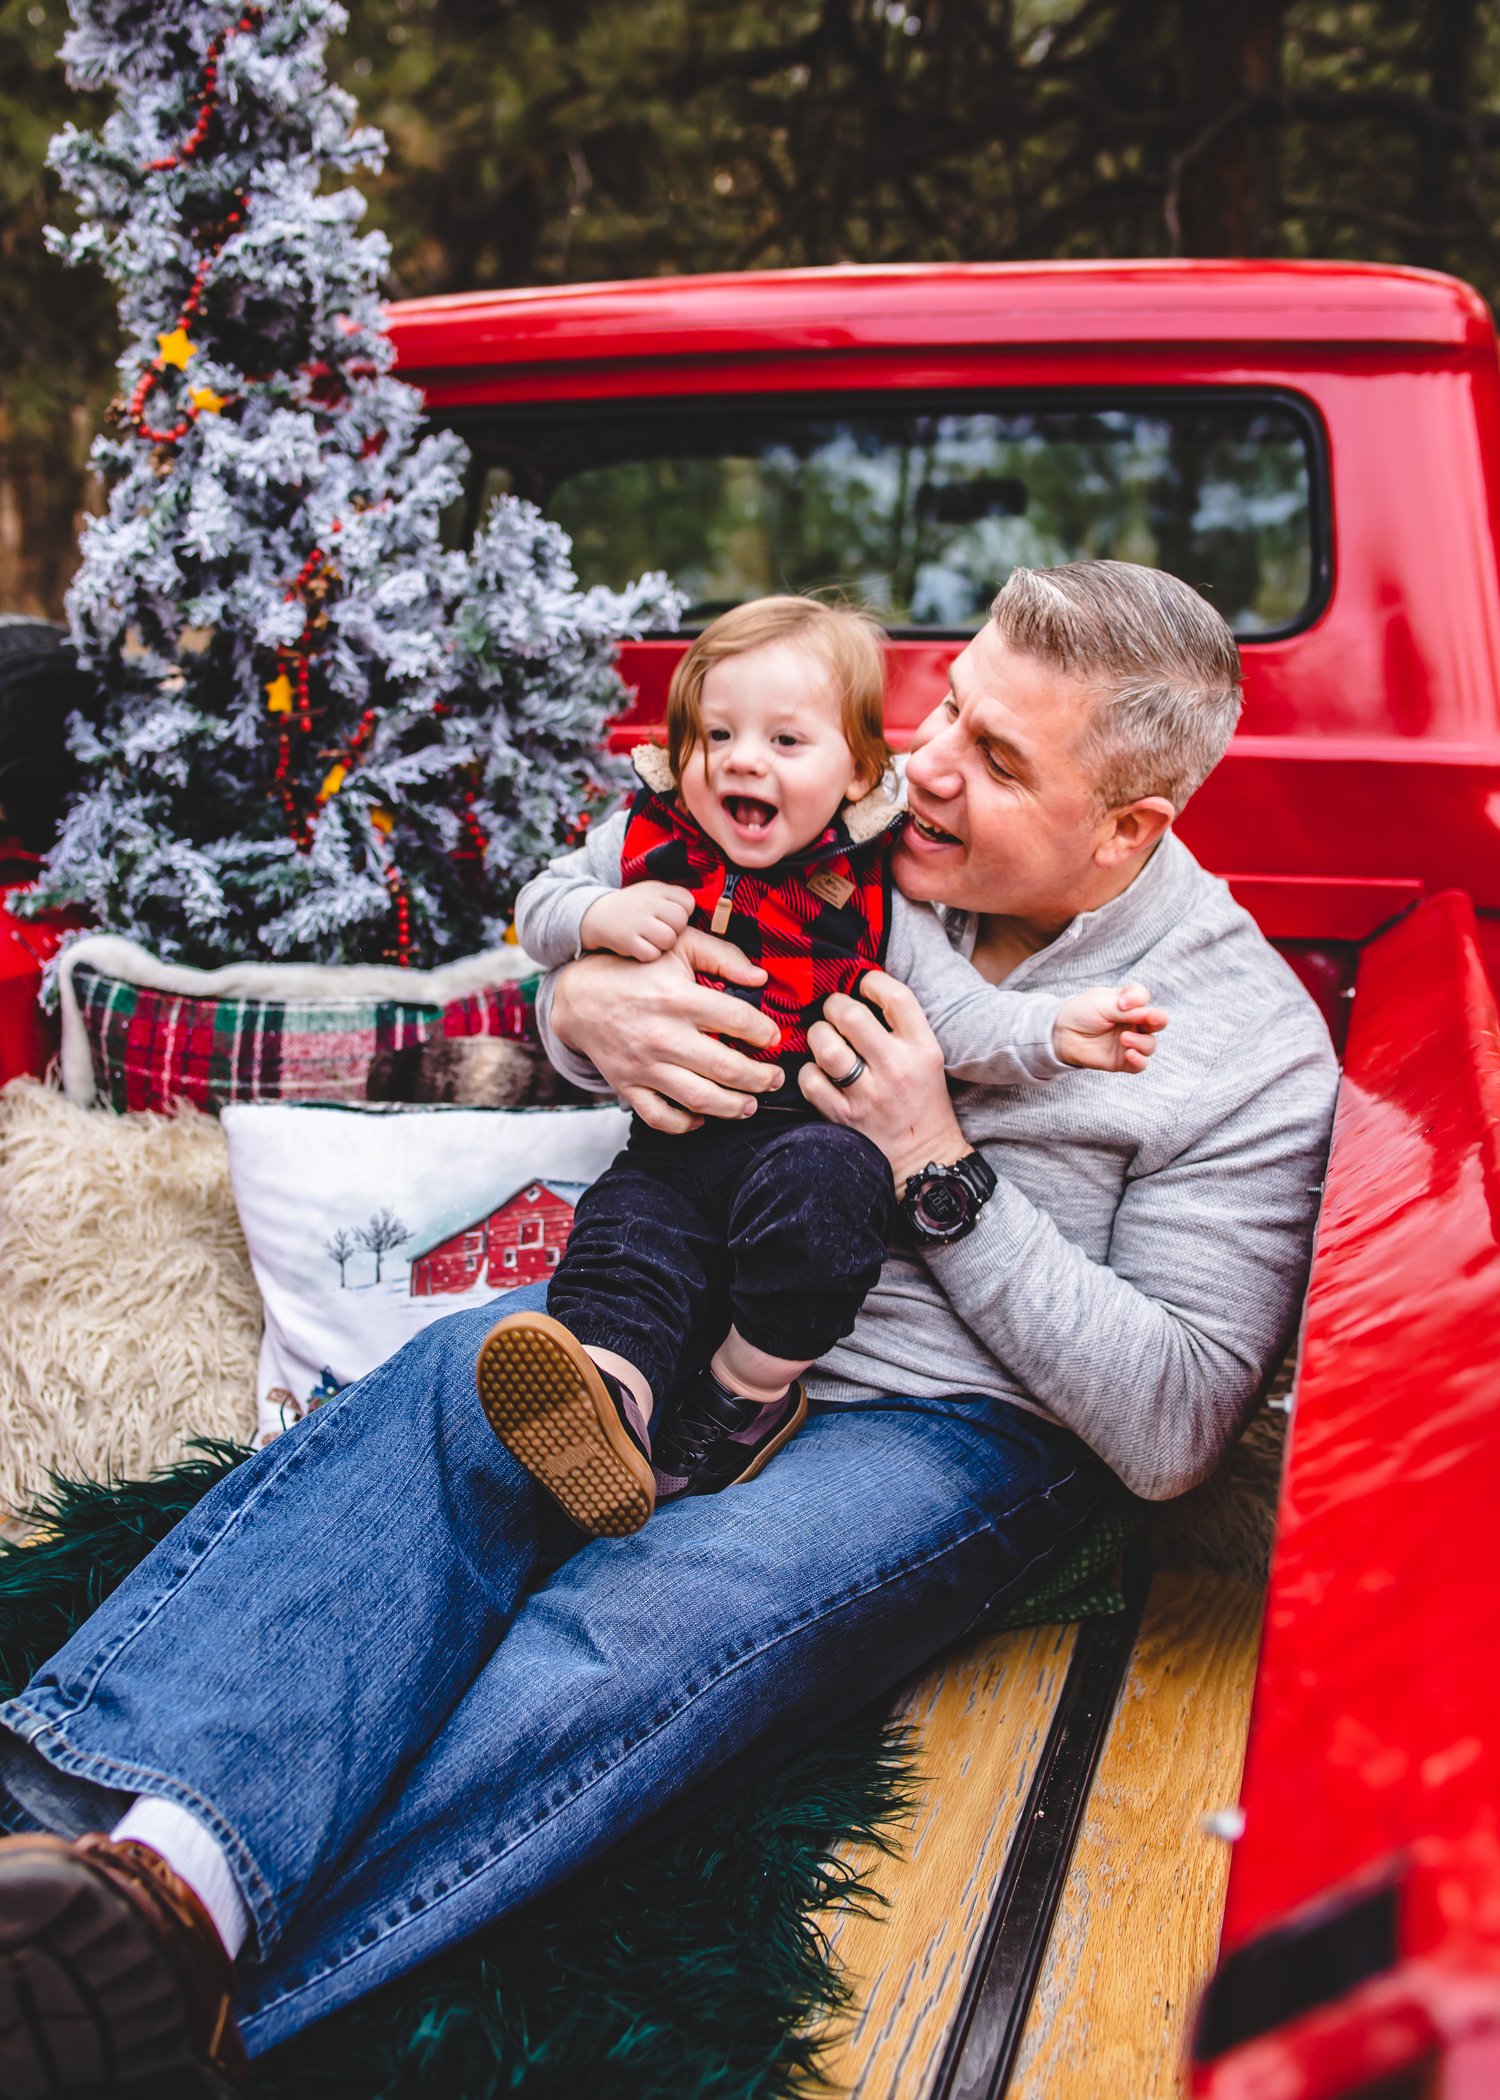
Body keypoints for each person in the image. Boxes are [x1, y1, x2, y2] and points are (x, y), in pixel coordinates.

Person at [0, 561, 1338, 2097]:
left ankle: (175, 1983)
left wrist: (935, 1164)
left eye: (1003, 757)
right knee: (453, 1402)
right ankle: (97, 1869)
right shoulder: (864, 834)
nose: (937, 764)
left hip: (939, 1420)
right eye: (950, 705)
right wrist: (579, 1004)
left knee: (661, 1608)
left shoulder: (1241, 1048)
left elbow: (1173, 1430)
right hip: (687, 1290)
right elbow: (604, 926)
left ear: (1131, 831)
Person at [489, 593, 1167, 1537]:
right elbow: (541, 904)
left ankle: (742, 1399)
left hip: (799, 1141)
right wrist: (595, 927)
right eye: (714, 733)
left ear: (858, 775)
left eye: (785, 742)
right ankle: (610, 1400)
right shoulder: (644, 840)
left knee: (830, 1205)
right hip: (678, 1141)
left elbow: (960, 1017)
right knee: (624, 1239)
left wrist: (1056, 1031)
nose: (740, 759)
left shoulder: (880, 891)